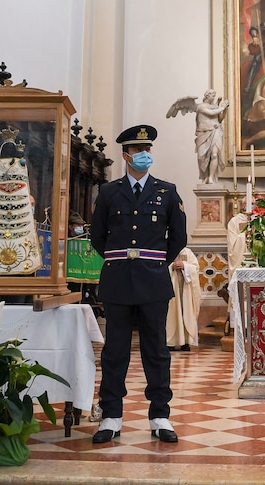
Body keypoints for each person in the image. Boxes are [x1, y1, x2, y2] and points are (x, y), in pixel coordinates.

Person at [90, 124, 187, 444]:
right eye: (137, 151)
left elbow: (179, 237)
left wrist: (156, 261)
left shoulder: (167, 191)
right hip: (118, 280)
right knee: (114, 351)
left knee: (156, 350)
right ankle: (111, 415)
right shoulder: (108, 192)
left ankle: (160, 414)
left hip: (153, 280)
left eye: (148, 150)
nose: (144, 155)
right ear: (125, 155)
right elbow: (97, 237)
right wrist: (120, 258)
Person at [166, 246, 201, 351]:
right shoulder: (166, 249)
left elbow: (196, 267)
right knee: (171, 313)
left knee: (186, 311)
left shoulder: (187, 252)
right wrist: (172, 267)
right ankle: (171, 342)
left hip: (186, 289)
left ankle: (186, 342)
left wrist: (185, 266)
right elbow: (161, 267)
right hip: (172, 287)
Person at [194, 90, 229, 184]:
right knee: (201, 157)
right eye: (212, 95)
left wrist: (224, 109)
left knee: (214, 154)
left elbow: (220, 118)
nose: (213, 97)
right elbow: (211, 113)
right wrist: (222, 107)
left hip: (215, 131)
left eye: (214, 96)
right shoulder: (201, 107)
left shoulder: (215, 107)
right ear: (207, 96)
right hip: (203, 134)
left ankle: (211, 177)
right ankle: (205, 176)